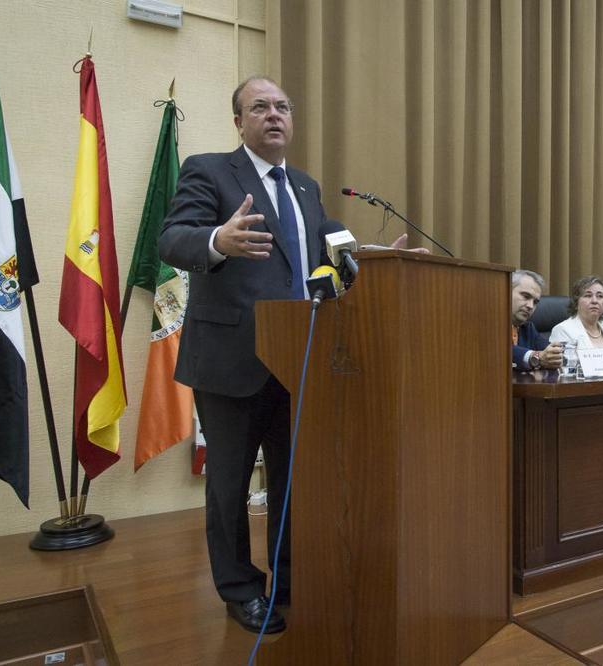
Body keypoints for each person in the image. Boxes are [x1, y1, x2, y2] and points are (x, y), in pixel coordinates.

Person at [158, 76, 420, 634]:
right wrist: (216, 242)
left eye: (282, 107)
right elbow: (172, 237)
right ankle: (239, 589)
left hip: (299, 359)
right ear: (239, 121)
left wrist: (368, 256)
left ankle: (291, 577)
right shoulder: (208, 170)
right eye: (260, 107)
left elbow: (327, 247)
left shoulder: (305, 186)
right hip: (231, 358)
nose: (273, 115)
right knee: (229, 487)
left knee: (293, 479)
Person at [511, 269, 564, 370]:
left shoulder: (528, 329)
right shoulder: (488, 323)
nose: (530, 306)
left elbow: (547, 351)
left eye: (535, 302)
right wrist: (535, 357)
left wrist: (555, 355)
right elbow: (501, 351)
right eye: (526, 296)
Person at [549, 275, 603, 348]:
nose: (594, 301)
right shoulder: (563, 330)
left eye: (600, 296)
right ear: (576, 302)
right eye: (588, 296)